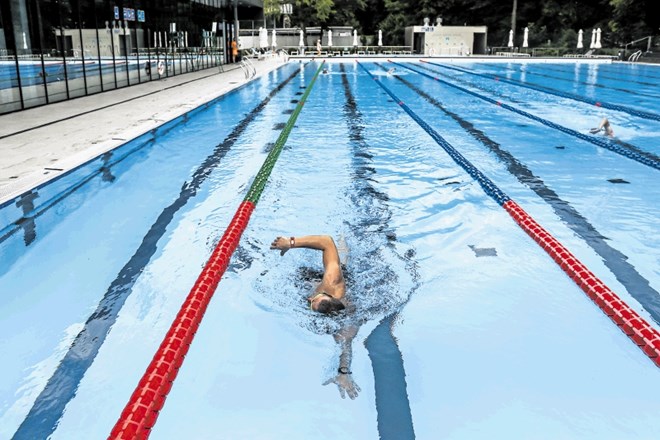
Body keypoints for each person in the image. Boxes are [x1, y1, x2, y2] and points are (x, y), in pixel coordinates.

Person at [270, 235, 361, 399]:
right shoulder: (332, 282)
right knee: (338, 262)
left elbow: (345, 345)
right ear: (328, 295)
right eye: (315, 300)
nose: (308, 299)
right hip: (330, 280)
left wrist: (343, 373)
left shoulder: (345, 324)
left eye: (311, 304)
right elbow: (326, 241)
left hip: (333, 290)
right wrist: (290, 243)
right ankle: (344, 236)